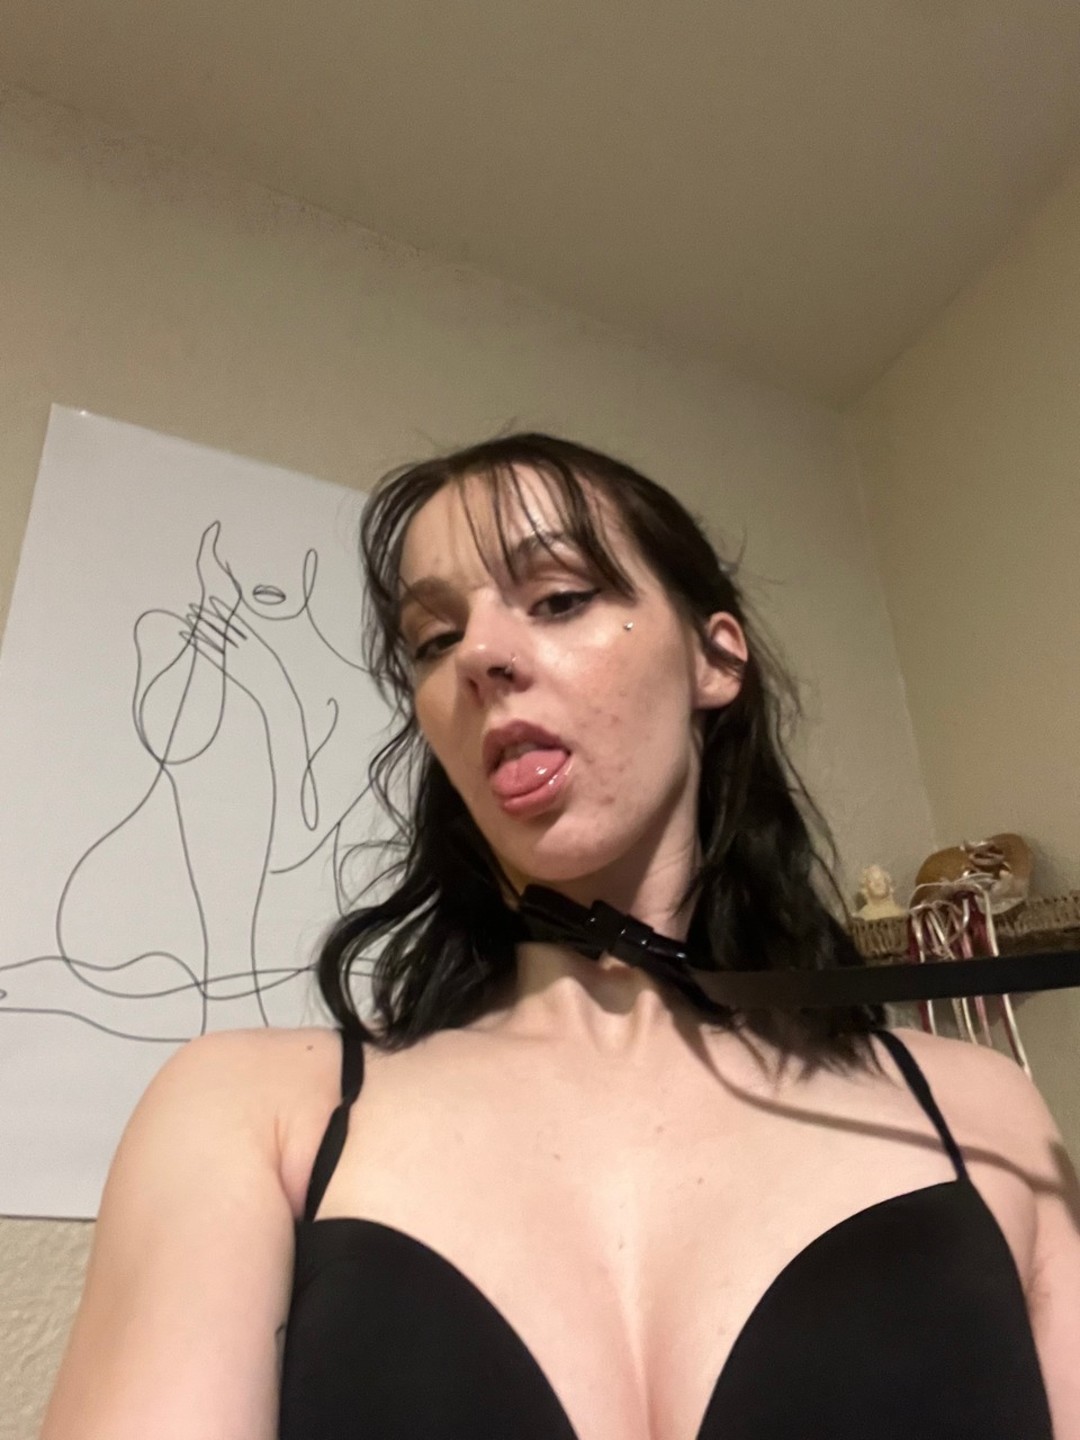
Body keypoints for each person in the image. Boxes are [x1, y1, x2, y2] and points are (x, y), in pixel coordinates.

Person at [40, 434, 1080, 1440]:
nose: (480, 656)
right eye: (434, 640)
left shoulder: (979, 1111)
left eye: (559, 598)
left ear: (716, 658)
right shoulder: (252, 1115)